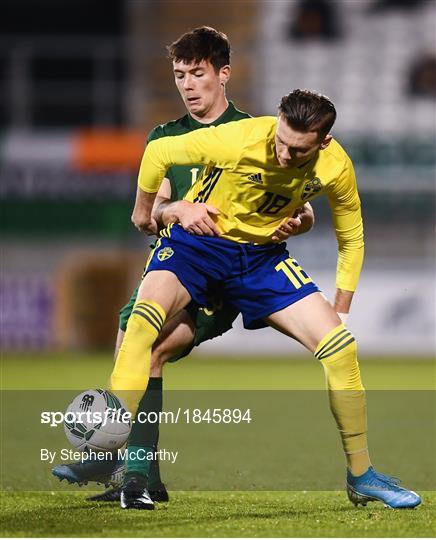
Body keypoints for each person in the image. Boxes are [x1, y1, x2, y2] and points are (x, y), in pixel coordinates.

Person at [111, 88, 421, 510]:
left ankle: (362, 476)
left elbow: (351, 238)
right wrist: (145, 212)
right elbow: (160, 151)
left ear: (323, 142)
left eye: (298, 150)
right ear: (277, 119)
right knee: (142, 325)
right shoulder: (240, 137)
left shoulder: (335, 166)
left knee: (341, 350)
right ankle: (110, 438)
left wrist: (341, 309)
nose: (285, 155)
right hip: (197, 247)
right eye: (282, 141)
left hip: (260, 260)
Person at [52, 27, 314, 505]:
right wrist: (176, 211)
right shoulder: (166, 138)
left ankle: (123, 465)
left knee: (145, 345)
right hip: (173, 266)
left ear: (224, 74)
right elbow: (152, 215)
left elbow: (301, 204)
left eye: (198, 73)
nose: (188, 84)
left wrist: (298, 221)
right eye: (179, 75)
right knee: (135, 342)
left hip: (223, 277)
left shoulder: (255, 133)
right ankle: (139, 476)